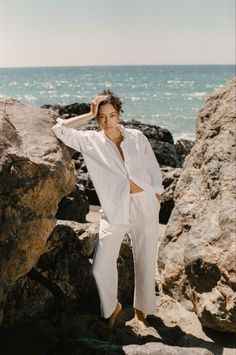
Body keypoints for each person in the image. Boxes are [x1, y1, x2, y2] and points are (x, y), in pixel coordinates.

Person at [52, 89, 164, 329]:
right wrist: (88, 113)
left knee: (145, 258)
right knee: (101, 266)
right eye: (101, 116)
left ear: (119, 114)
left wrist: (156, 194)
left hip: (145, 203)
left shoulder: (136, 136)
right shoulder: (91, 141)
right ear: (96, 118)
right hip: (114, 210)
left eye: (111, 115)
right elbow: (59, 129)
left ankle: (143, 309)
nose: (107, 121)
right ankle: (112, 306)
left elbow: (154, 168)